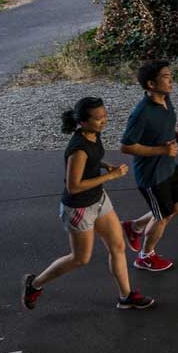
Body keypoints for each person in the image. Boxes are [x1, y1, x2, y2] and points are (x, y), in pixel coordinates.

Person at [21, 97, 155, 310]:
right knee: (80, 258)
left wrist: (105, 165)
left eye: (104, 116)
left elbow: (92, 160)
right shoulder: (78, 149)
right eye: (98, 118)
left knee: (118, 245)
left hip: (99, 200)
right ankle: (35, 284)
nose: (104, 121)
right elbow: (73, 186)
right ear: (82, 122)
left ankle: (126, 296)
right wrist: (110, 177)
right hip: (79, 208)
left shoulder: (93, 134)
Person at [119, 59, 178, 272]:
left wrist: (176, 134)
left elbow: (167, 120)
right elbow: (126, 146)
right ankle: (145, 256)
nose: (171, 80)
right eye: (166, 77)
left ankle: (135, 226)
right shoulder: (141, 113)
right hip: (151, 175)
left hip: (168, 166)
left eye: (170, 75)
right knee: (163, 215)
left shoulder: (166, 99)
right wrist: (162, 150)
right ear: (151, 84)